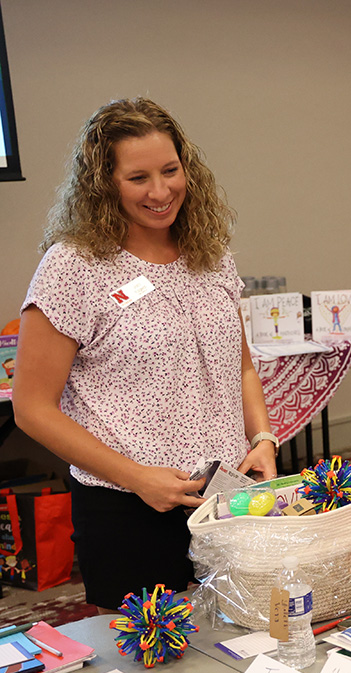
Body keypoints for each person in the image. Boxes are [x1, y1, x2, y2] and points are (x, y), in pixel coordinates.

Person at [13, 98, 277, 613]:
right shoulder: (73, 266)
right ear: (103, 185)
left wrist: (262, 437)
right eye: (138, 178)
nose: (161, 192)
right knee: (151, 672)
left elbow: (239, 363)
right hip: (130, 508)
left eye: (170, 170)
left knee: (240, 640)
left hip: (227, 500)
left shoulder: (209, 251)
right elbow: (32, 409)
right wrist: (138, 478)